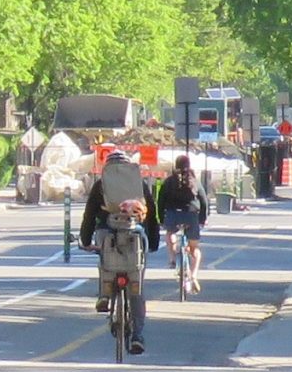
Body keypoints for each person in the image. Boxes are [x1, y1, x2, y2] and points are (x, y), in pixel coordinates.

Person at [79, 150, 160, 355]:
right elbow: (151, 215)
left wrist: (86, 240)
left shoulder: (100, 185)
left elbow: (89, 214)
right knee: (137, 288)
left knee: (105, 263)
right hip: (135, 238)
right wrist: (153, 243)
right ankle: (137, 335)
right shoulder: (138, 184)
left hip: (107, 234)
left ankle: (105, 294)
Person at [157, 154, 208, 292]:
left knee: (170, 233)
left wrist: (161, 219)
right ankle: (194, 275)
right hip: (191, 215)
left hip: (173, 214)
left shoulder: (168, 182)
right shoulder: (195, 181)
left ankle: (173, 258)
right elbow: (204, 201)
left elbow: (160, 201)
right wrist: (202, 219)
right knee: (194, 249)